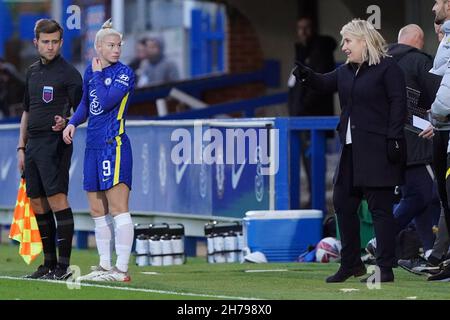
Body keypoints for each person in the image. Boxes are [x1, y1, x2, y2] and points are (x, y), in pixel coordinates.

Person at [293, 19, 407, 283]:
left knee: (381, 210)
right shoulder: (345, 71)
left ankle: (385, 268)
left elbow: (398, 104)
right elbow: (324, 83)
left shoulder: (388, 68)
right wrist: (307, 76)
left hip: (380, 150)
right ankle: (351, 264)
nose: (343, 46)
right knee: (343, 204)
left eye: (348, 41)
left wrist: (394, 139)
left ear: (363, 41)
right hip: (351, 151)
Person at [63, 19, 135, 282]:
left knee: (118, 208)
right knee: (96, 209)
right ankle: (105, 265)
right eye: (111, 45)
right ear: (98, 47)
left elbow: (105, 102)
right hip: (92, 146)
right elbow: (86, 104)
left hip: (112, 145)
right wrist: (72, 122)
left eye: (119, 45)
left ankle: (122, 270)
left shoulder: (124, 73)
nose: (116, 49)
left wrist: (98, 76)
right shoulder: (90, 72)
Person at [16, 19, 82, 280]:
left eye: (55, 42)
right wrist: (21, 147)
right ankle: (47, 265)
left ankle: (63, 267)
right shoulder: (31, 72)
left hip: (56, 144)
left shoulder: (69, 74)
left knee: (57, 200)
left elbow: (83, 110)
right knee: (37, 203)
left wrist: (67, 122)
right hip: (32, 146)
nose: (51, 46)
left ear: (61, 42)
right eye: (46, 42)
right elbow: (26, 111)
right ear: (36, 43)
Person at [387, 24, 441, 268]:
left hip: (392, 141)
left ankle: (431, 250)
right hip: (421, 138)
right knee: (427, 196)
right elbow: (439, 96)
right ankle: (382, 239)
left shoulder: (382, 63)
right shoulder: (420, 61)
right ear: (419, 41)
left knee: (416, 194)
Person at [288, 16, 337, 208]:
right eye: (300, 28)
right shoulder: (301, 51)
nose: (303, 32)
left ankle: (317, 202)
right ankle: (312, 198)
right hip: (301, 116)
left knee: (314, 160)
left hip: (312, 115)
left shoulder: (320, 50)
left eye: (306, 28)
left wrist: (302, 106)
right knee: (307, 161)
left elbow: (319, 84)